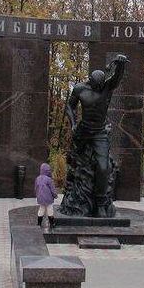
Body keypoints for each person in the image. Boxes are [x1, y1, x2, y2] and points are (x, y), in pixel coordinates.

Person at [58, 54, 128, 218]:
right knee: (74, 162)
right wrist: (73, 123)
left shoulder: (106, 87)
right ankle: (73, 195)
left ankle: (101, 204)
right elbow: (69, 106)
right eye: (97, 85)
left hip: (99, 132)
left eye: (101, 85)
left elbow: (116, 78)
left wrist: (121, 64)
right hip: (83, 131)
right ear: (90, 81)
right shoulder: (80, 89)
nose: (100, 87)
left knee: (104, 167)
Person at [35, 162, 58, 229]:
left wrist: (37, 195)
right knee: (49, 209)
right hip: (48, 198)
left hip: (40, 198)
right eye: (49, 170)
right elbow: (52, 189)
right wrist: (55, 195)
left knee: (41, 209)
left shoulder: (37, 178)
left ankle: (39, 223)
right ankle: (52, 224)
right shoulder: (49, 179)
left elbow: (36, 188)